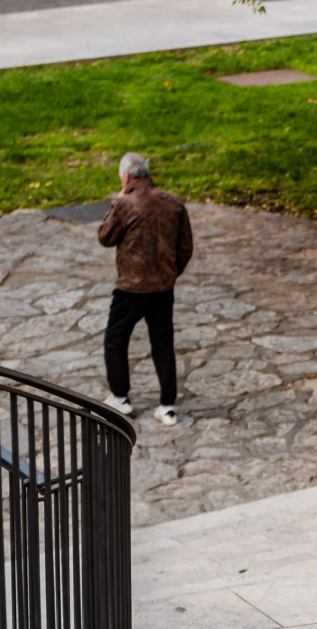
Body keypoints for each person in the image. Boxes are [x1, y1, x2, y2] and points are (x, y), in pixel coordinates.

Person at [97, 153, 193, 427]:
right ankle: (167, 407)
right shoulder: (173, 203)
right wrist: (172, 273)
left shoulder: (125, 204)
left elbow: (105, 237)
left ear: (126, 177)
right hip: (163, 289)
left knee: (116, 340)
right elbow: (185, 248)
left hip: (130, 289)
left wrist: (117, 200)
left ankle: (120, 398)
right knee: (163, 345)